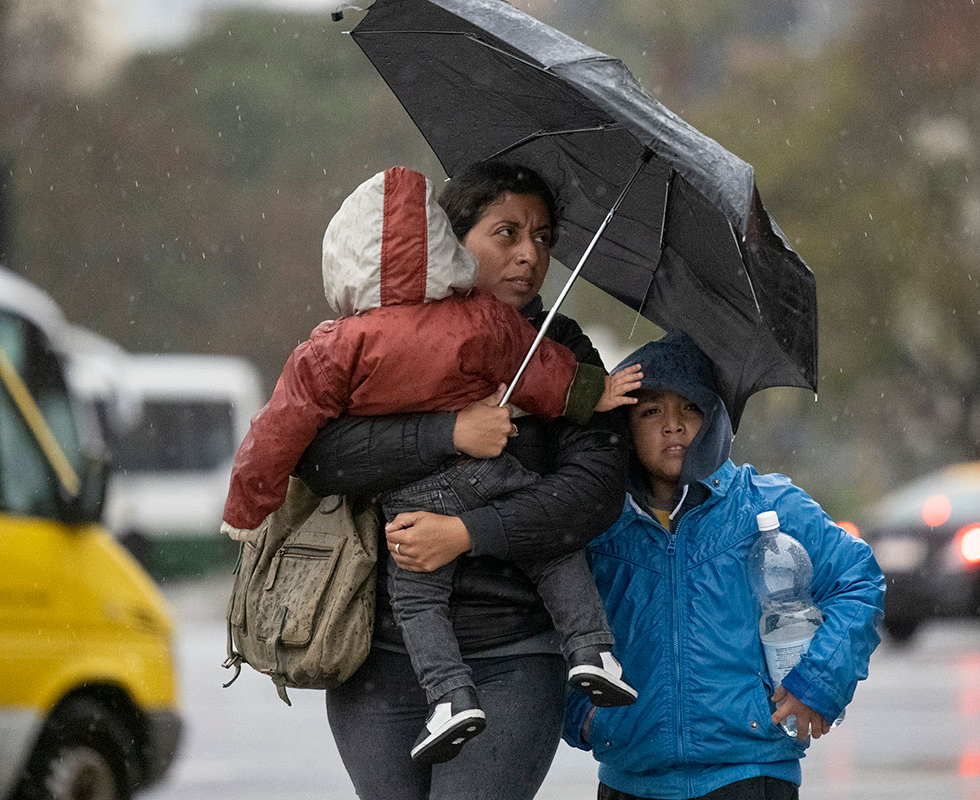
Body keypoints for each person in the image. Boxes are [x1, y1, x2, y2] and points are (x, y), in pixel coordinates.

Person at [220, 166, 640, 765]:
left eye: (544, 238)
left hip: (514, 655)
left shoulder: (564, 351)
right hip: (375, 654)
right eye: (507, 233)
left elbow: (591, 496)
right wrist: (449, 432)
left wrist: (465, 535)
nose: (529, 254)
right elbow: (320, 460)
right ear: (452, 239)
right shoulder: (365, 336)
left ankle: (588, 650)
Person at [563, 332, 885, 800]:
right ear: (624, 425)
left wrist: (815, 685)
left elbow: (859, 580)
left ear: (714, 419)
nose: (672, 426)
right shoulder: (598, 521)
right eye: (650, 411)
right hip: (630, 778)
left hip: (750, 774)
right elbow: (543, 612)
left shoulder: (766, 506)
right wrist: (584, 715)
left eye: (689, 409)